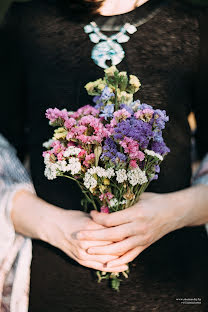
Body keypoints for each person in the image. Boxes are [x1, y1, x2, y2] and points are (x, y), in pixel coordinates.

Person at [0, 0, 208, 311]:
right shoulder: (29, 19)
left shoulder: (193, 23)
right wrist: (54, 225)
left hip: (178, 291)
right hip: (51, 286)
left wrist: (171, 212)